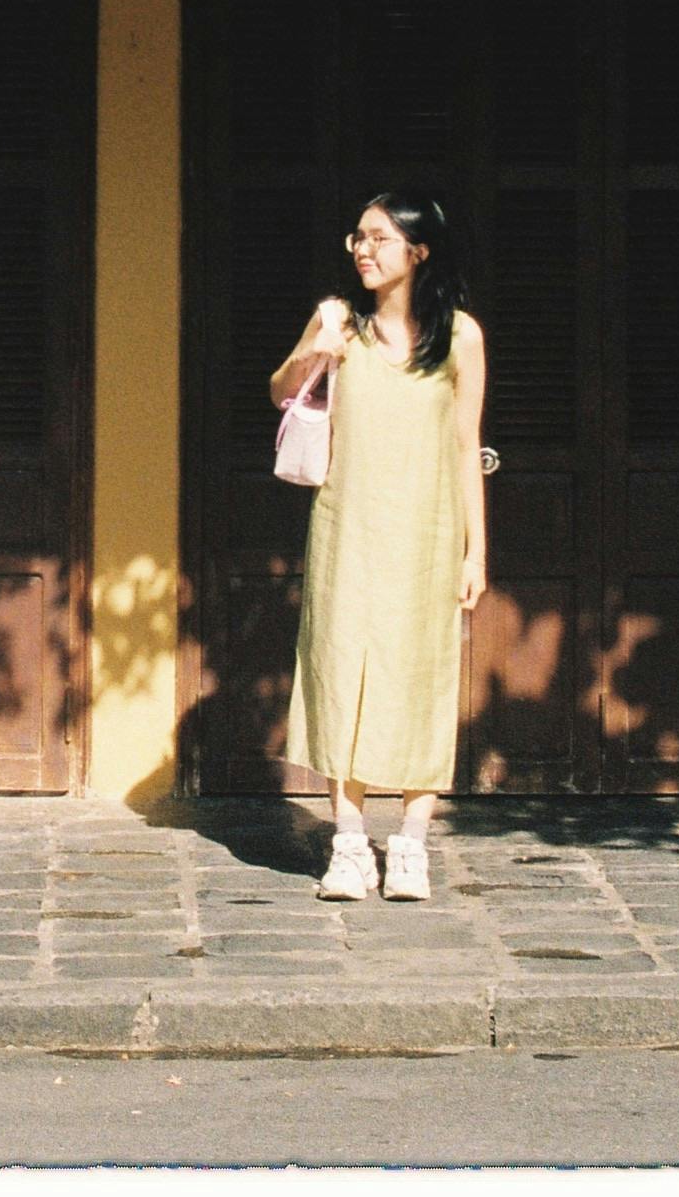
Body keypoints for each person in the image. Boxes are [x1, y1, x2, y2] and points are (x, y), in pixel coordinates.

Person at [268, 190, 487, 902]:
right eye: (356, 237)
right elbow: (279, 391)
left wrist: (474, 551)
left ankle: (412, 843)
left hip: (427, 531)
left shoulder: (460, 338)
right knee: (342, 672)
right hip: (346, 526)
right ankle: (349, 843)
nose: (361, 249)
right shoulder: (340, 321)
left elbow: (464, 449)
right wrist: (313, 347)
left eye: (377, 238)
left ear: (417, 251)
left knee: (422, 675)